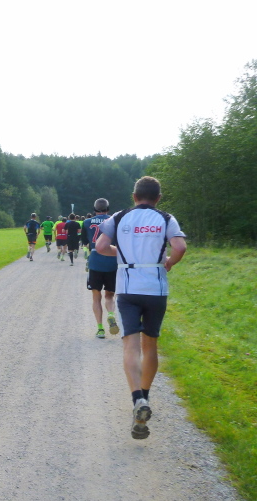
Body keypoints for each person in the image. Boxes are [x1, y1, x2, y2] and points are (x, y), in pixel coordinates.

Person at [96, 176, 186, 440]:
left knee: (130, 345)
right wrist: (169, 262)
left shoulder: (119, 217)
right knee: (151, 345)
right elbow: (180, 247)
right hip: (156, 289)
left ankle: (137, 399)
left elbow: (101, 246)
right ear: (158, 198)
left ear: (134, 197)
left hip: (128, 288)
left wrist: (122, 253)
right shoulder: (166, 218)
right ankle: (145, 396)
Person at [81, 199, 119, 339]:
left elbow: (85, 242)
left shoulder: (87, 222)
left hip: (95, 261)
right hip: (112, 261)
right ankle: (111, 314)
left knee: (96, 297)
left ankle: (100, 329)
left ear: (94, 209)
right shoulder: (115, 221)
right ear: (108, 209)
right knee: (109, 295)